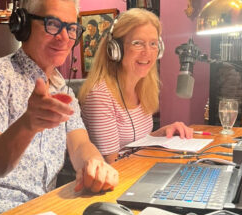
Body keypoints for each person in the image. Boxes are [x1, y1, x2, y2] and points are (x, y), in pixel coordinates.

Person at [0, 0, 118, 215]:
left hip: (38, 214)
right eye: (52, 24)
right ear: (23, 25)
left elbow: (81, 144)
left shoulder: (64, 91)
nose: (64, 37)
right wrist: (28, 124)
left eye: (71, 28)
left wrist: (94, 163)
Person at [79, 8, 193, 164]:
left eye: (153, 44)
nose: (148, 52)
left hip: (138, 175)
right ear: (115, 49)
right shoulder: (100, 95)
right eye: (137, 43)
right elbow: (113, 163)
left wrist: (164, 132)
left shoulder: (143, 87)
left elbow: (137, 143)